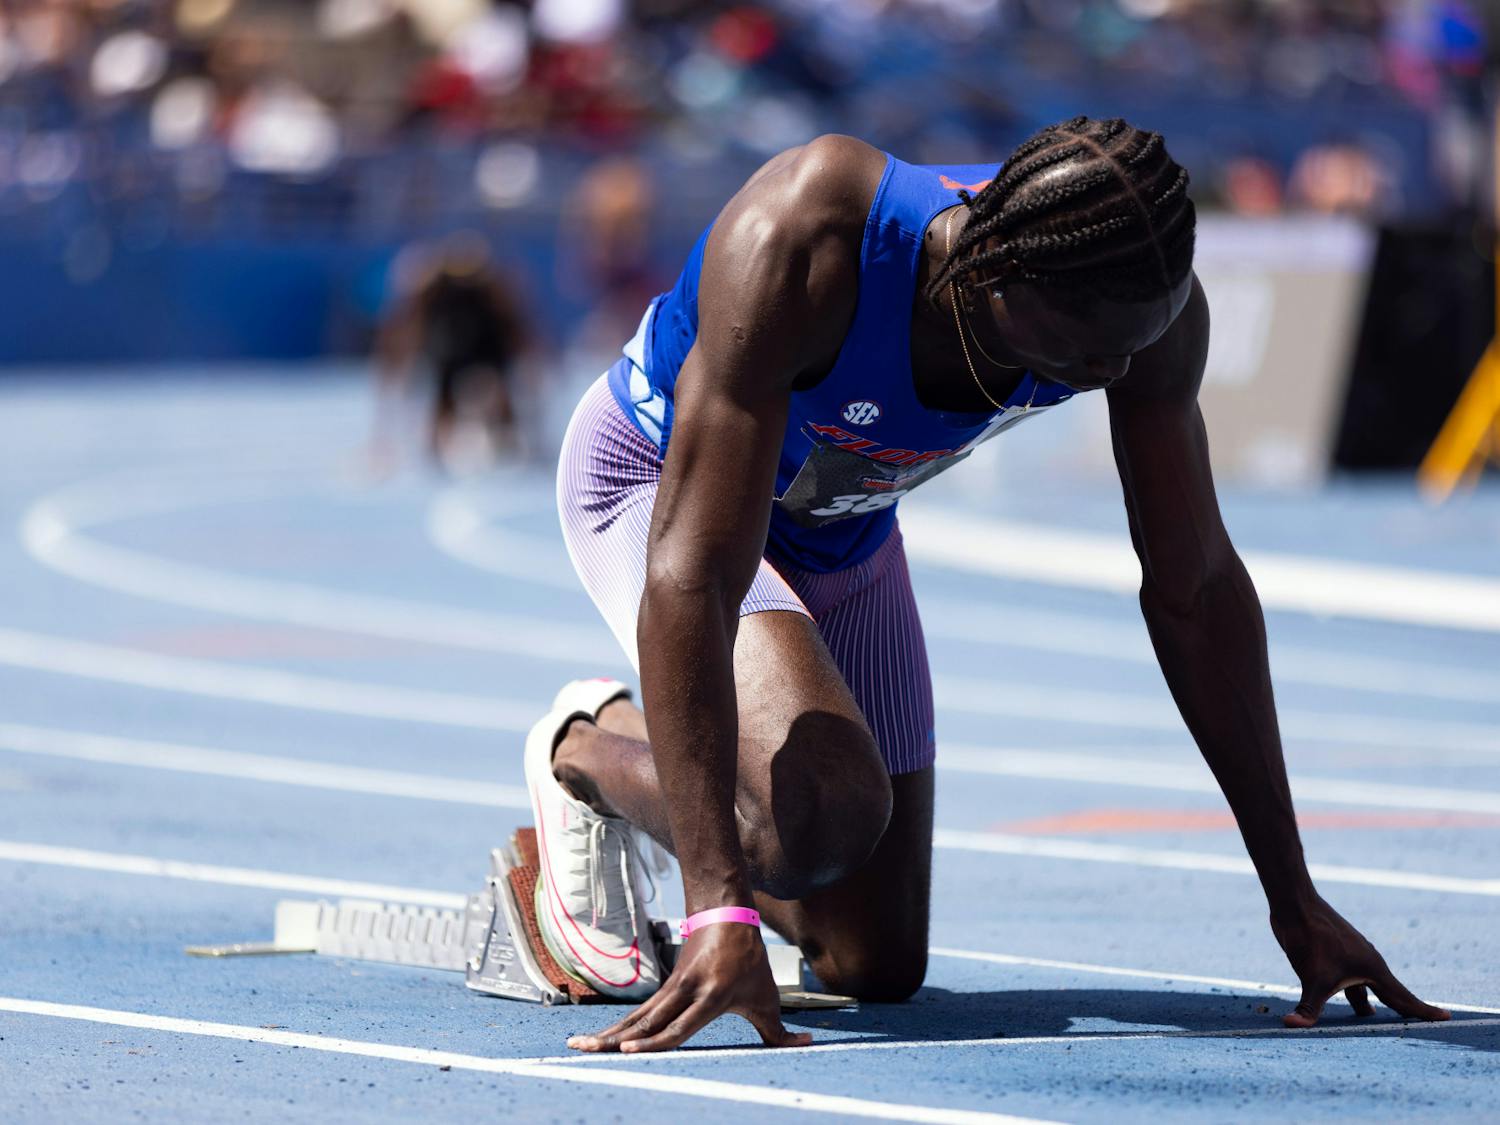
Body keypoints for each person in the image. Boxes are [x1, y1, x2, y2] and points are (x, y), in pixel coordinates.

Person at [523, 118, 1451, 1054]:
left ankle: (742, 815)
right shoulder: (804, 237)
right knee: (818, 813)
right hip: (659, 489)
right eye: (1091, 353)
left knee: (875, 965)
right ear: (994, 277)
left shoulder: (1138, 305)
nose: (1113, 373)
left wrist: (1293, 897)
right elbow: (695, 574)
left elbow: (1196, 588)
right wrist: (717, 914)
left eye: (1134, 347)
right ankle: (585, 753)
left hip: (842, 521)